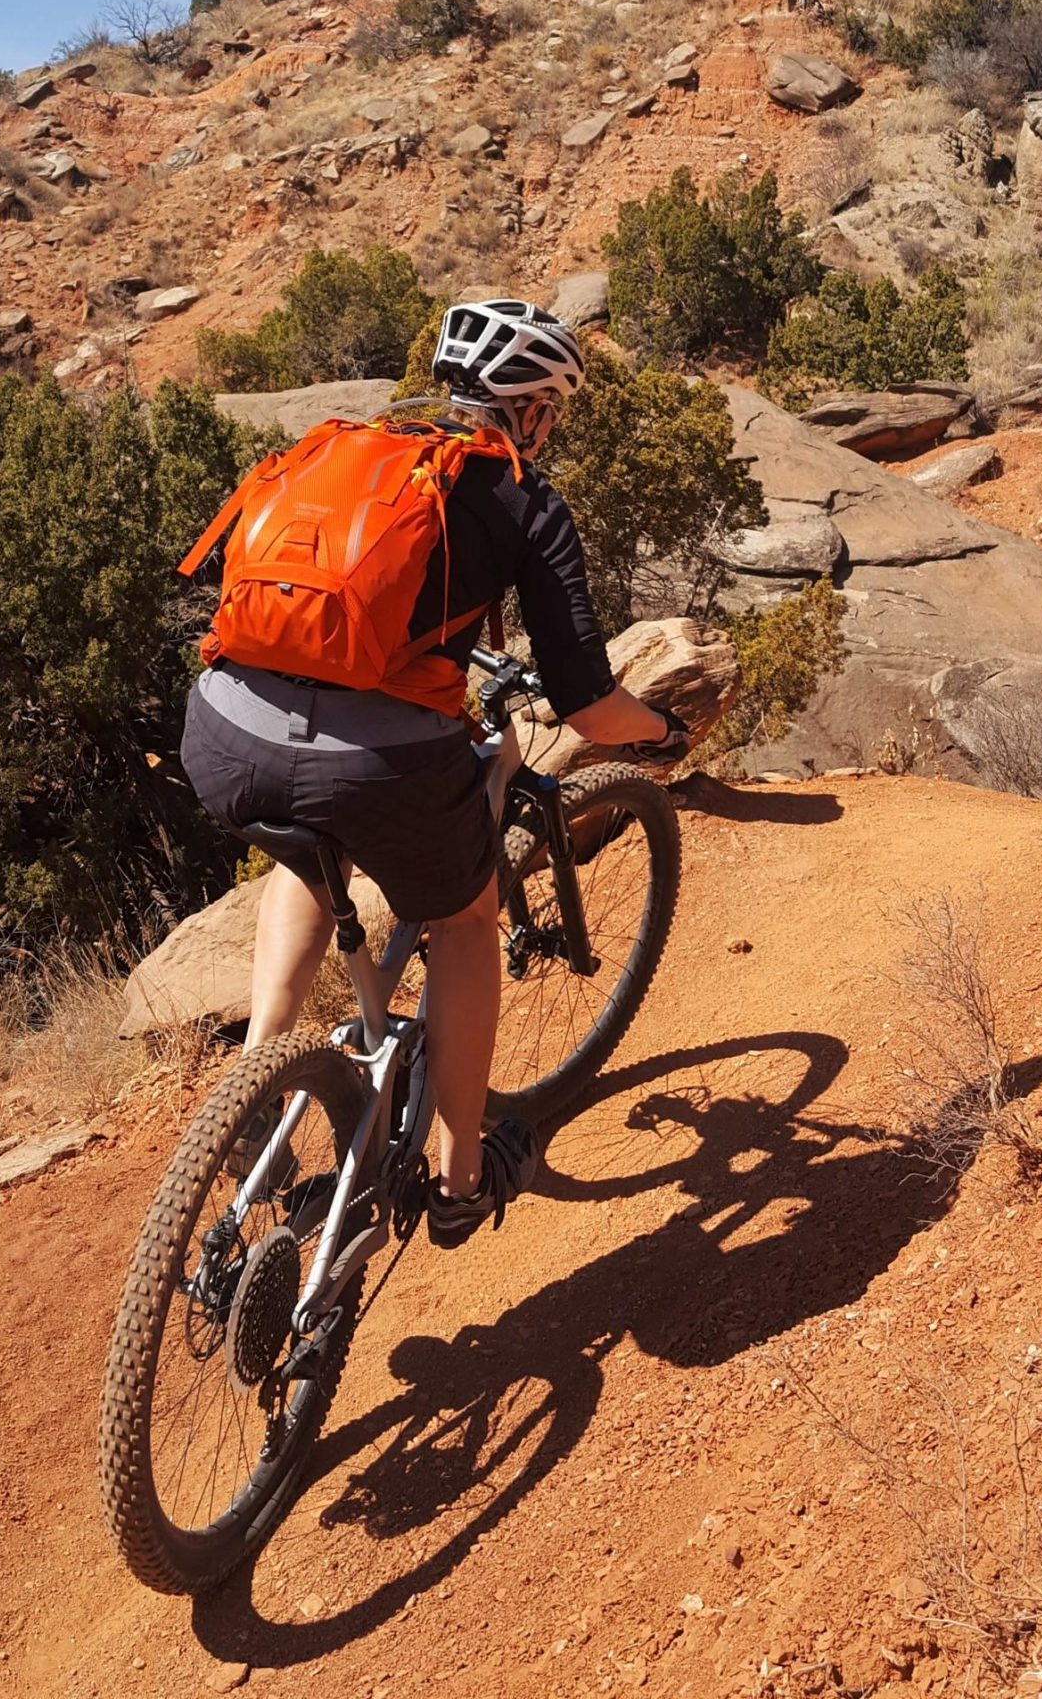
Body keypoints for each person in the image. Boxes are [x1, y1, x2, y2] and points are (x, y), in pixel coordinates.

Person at [179, 298, 685, 1248]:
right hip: (373, 767)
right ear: (530, 409)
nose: (550, 431)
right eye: (552, 414)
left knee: (308, 853)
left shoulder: (344, 446)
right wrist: (662, 729)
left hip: (220, 731)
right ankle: (459, 1183)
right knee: (462, 920)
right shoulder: (518, 496)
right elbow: (587, 709)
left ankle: (261, 1072)